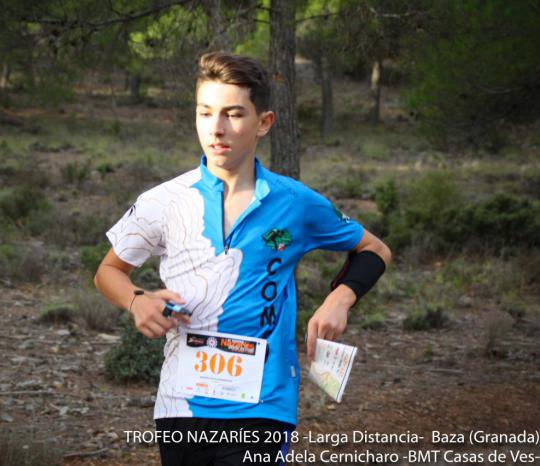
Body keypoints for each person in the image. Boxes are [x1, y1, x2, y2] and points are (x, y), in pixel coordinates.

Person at [94, 52, 391, 466]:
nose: (217, 128)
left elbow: (374, 250)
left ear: (264, 123)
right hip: (182, 406)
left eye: (233, 114)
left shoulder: (295, 202)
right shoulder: (163, 202)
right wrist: (136, 299)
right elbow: (109, 271)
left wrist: (339, 299)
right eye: (206, 113)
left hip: (263, 405)